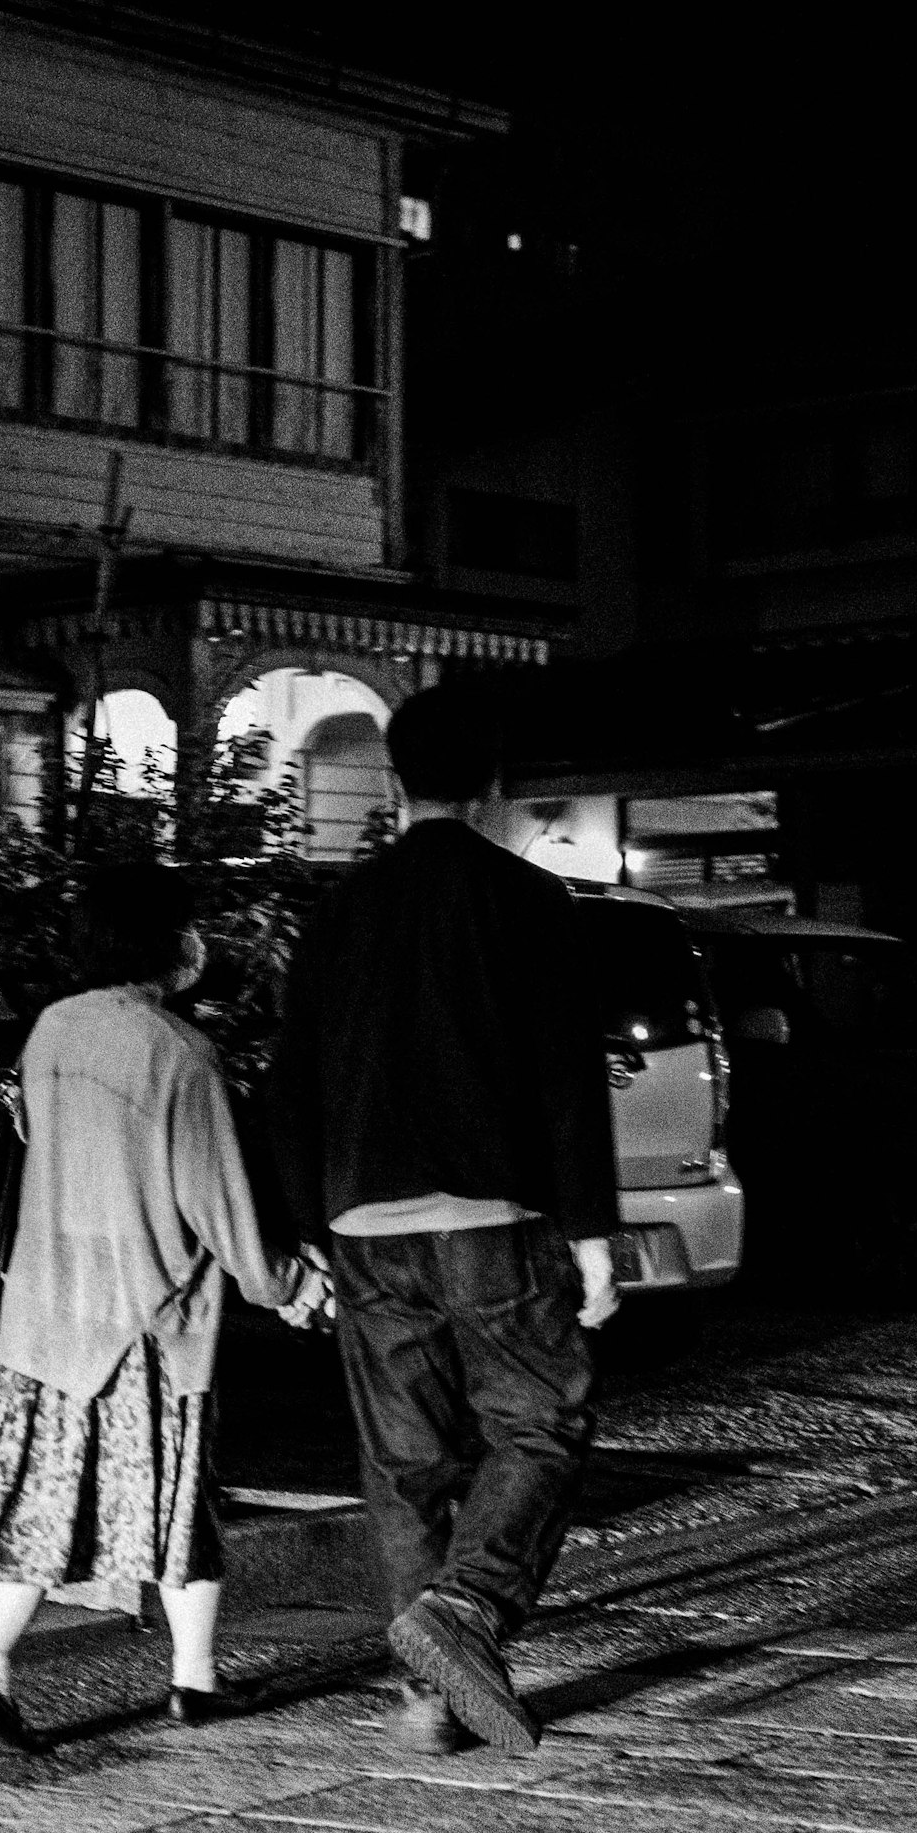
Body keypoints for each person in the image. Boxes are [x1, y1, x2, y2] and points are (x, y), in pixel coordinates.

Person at [270, 680, 618, 1754]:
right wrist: (593, 1232)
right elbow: (565, 1077)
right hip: (492, 1214)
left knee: (406, 1465)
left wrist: (300, 1230)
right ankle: (464, 1610)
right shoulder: (529, 902)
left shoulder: (342, 909)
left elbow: (294, 1079)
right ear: (496, 784)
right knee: (539, 1425)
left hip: (365, 1223)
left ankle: (427, 1697)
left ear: (393, 775)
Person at [0, 862, 321, 1753]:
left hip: (43, 1314)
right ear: (167, 942)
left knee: (41, 1494)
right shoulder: (179, 1054)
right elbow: (219, 1205)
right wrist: (291, 1286)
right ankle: (192, 1680)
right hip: (146, 1319)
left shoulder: (52, 1030)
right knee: (180, 1499)